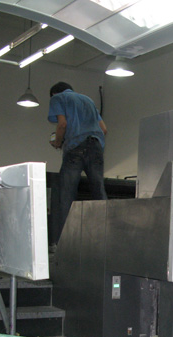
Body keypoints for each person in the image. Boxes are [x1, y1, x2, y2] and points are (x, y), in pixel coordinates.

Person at [48, 81, 108, 243]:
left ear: (54, 94)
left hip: (75, 147)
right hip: (95, 146)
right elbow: (104, 129)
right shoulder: (88, 100)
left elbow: (62, 124)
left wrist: (58, 142)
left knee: (66, 194)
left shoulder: (58, 98)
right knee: (99, 191)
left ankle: (64, 241)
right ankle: (106, 236)